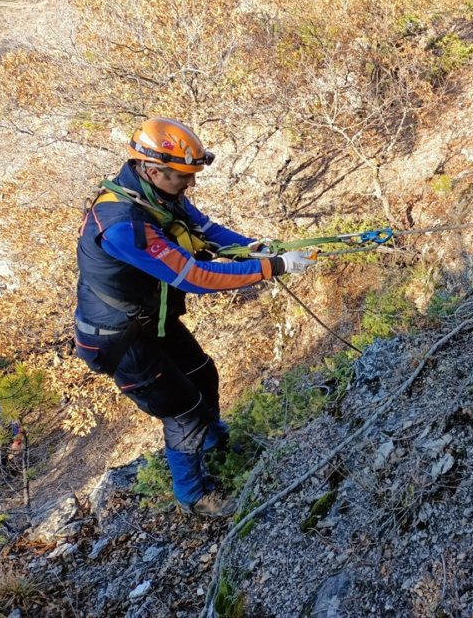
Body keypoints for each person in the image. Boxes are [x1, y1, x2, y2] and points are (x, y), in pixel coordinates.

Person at [74, 118, 317, 516]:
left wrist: (253, 248)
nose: (190, 185)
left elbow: (203, 228)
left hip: (149, 320)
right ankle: (194, 496)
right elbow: (195, 276)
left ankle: (216, 443)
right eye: (182, 176)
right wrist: (274, 267)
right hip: (118, 340)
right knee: (182, 409)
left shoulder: (155, 195)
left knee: (203, 373)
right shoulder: (122, 225)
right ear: (152, 170)